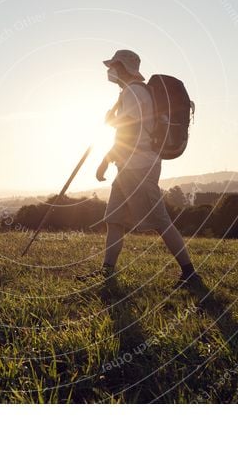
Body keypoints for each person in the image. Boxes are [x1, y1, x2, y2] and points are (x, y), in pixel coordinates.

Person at [78, 49, 199, 287]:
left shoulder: (134, 92)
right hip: (128, 167)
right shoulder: (131, 92)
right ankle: (107, 270)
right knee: (115, 219)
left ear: (124, 67)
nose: (110, 70)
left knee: (160, 220)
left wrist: (105, 158)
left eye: (114, 65)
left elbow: (129, 132)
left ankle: (189, 272)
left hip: (139, 166)